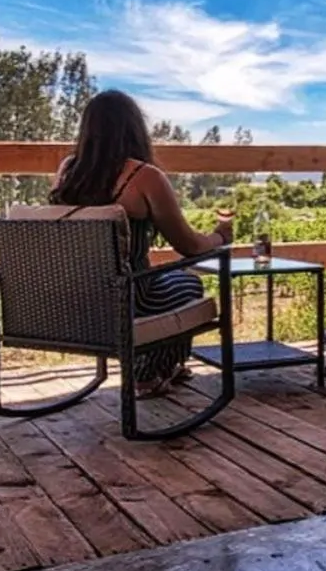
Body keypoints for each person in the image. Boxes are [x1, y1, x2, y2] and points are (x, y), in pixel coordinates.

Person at [50, 90, 233, 398]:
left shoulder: (67, 171)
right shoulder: (143, 176)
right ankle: (148, 374)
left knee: (166, 277)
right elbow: (189, 246)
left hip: (74, 297)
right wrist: (220, 236)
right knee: (189, 283)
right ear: (134, 129)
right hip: (130, 296)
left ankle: (162, 367)